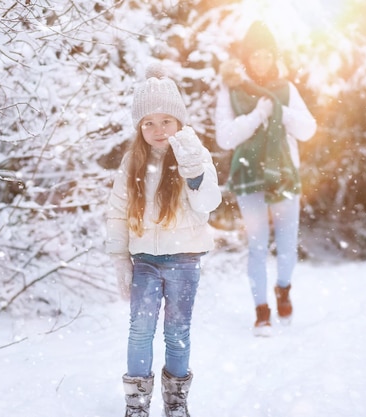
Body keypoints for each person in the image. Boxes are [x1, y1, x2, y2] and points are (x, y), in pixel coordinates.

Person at [106, 63, 221, 417]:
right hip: (145, 262)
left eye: (165, 121)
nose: (157, 130)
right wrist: (119, 260)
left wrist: (194, 173)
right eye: (148, 123)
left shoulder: (194, 154)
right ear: (139, 127)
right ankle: (137, 404)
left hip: (184, 260)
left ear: (179, 123)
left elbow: (208, 204)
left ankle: (176, 402)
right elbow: (117, 213)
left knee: (177, 331)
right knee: (140, 330)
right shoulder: (131, 161)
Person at [215, 21, 317, 337]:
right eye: (255, 55)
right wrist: (258, 114)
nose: (261, 61)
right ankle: (262, 313)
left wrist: (280, 112)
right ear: (246, 58)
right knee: (258, 247)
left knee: (286, 247)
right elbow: (225, 138)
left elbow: (308, 129)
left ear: (273, 56)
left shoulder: (286, 89)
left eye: (266, 55)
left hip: (284, 175)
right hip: (248, 177)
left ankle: (283, 289)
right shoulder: (231, 91)